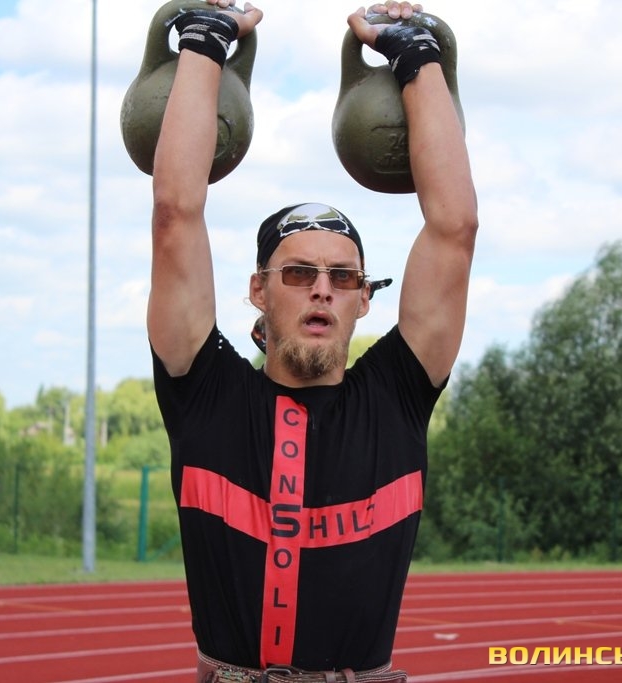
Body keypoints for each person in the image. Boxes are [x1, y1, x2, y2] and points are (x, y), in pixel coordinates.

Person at [147, 1, 478, 681]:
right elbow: (176, 213)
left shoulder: (396, 397)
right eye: (298, 273)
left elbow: (455, 229)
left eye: (342, 276)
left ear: (363, 298)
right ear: (259, 290)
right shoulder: (204, 393)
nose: (322, 289)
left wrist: (415, 54)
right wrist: (206, 41)